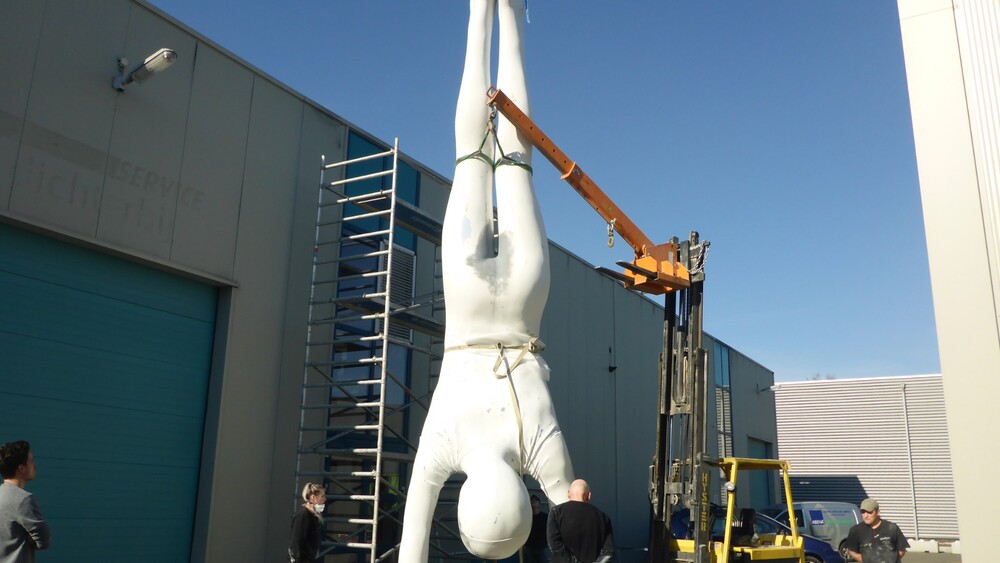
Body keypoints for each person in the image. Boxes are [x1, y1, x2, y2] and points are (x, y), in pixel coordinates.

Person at [397, 1, 575, 562]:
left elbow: (571, 508)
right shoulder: (440, 444)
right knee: (472, 158)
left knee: (515, 157)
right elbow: (412, 547)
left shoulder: (544, 453)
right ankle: (480, 11)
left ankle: (511, 13)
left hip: (524, 298)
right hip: (468, 303)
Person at [0, 440, 50, 563]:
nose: (35, 465)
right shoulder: (24, 500)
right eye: (31, 461)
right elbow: (44, 540)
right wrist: (28, 538)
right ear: (21, 468)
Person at [547, 479, 614, 563]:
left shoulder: (556, 512)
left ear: (568, 493)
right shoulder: (603, 518)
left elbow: (554, 544)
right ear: (589, 495)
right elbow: (608, 552)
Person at [844, 498, 908, 563]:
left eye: (869, 512)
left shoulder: (892, 528)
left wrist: (891, 560)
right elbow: (852, 550)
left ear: (878, 512)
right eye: (863, 512)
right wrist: (866, 560)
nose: (866, 515)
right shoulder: (855, 530)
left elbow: (901, 550)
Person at [288, 482, 326, 563]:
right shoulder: (303, 515)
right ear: (313, 497)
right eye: (322, 496)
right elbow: (296, 543)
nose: (324, 499)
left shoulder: (313, 516)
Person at [523, 495, 551, 563]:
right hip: (529, 547)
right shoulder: (527, 518)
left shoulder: (545, 517)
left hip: (541, 548)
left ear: (539, 506)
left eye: (537, 507)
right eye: (533, 507)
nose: (535, 509)